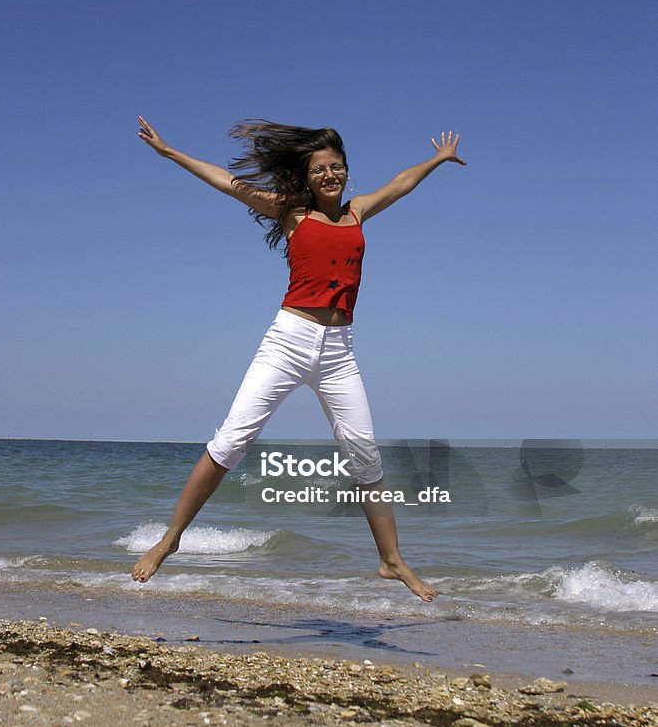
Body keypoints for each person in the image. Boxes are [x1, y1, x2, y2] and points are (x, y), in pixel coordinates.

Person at [132, 116, 466, 601]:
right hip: (288, 341)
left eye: (337, 167)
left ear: (346, 170)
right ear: (306, 178)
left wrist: (436, 159)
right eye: (319, 170)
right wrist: (172, 153)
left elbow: (402, 183)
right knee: (231, 440)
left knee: (365, 454)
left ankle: (391, 561)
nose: (330, 175)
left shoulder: (358, 212)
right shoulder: (291, 213)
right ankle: (170, 540)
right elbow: (228, 183)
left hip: (338, 352)